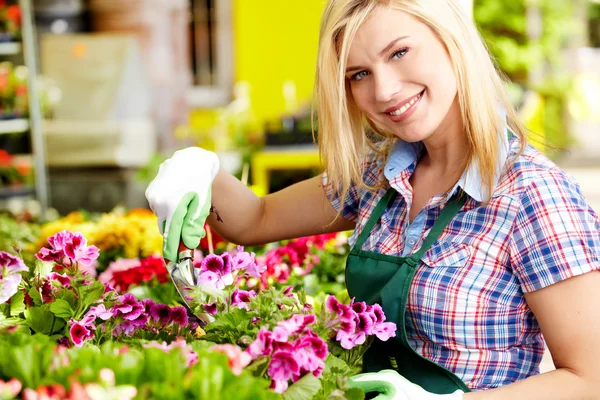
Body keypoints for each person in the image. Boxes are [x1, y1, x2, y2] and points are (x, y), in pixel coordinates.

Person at [145, 0, 600, 398]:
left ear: (451, 41)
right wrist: (199, 167)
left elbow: (589, 379)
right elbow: (255, 219)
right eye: (359, 74)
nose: (383, 91)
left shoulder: (534, 197)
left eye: (399, 53)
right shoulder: (379, 176)